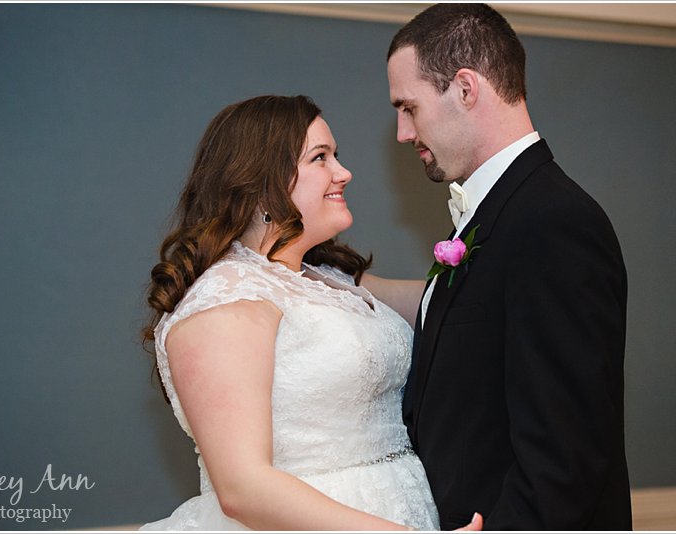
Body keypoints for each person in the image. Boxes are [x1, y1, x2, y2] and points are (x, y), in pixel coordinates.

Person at [140, 94, 467, 531]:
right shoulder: (225, 298)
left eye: (336, 156)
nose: (343, 172)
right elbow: (242, 487)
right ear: (260, 185)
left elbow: (442, 300)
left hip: (401, 505)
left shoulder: (328, 278)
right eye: (320, 158)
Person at [365, 3, 632, 530]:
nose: (402, 132)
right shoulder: (496, 214)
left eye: (408, 107)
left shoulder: (555, 222)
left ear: (465, 88)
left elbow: (565, 456)